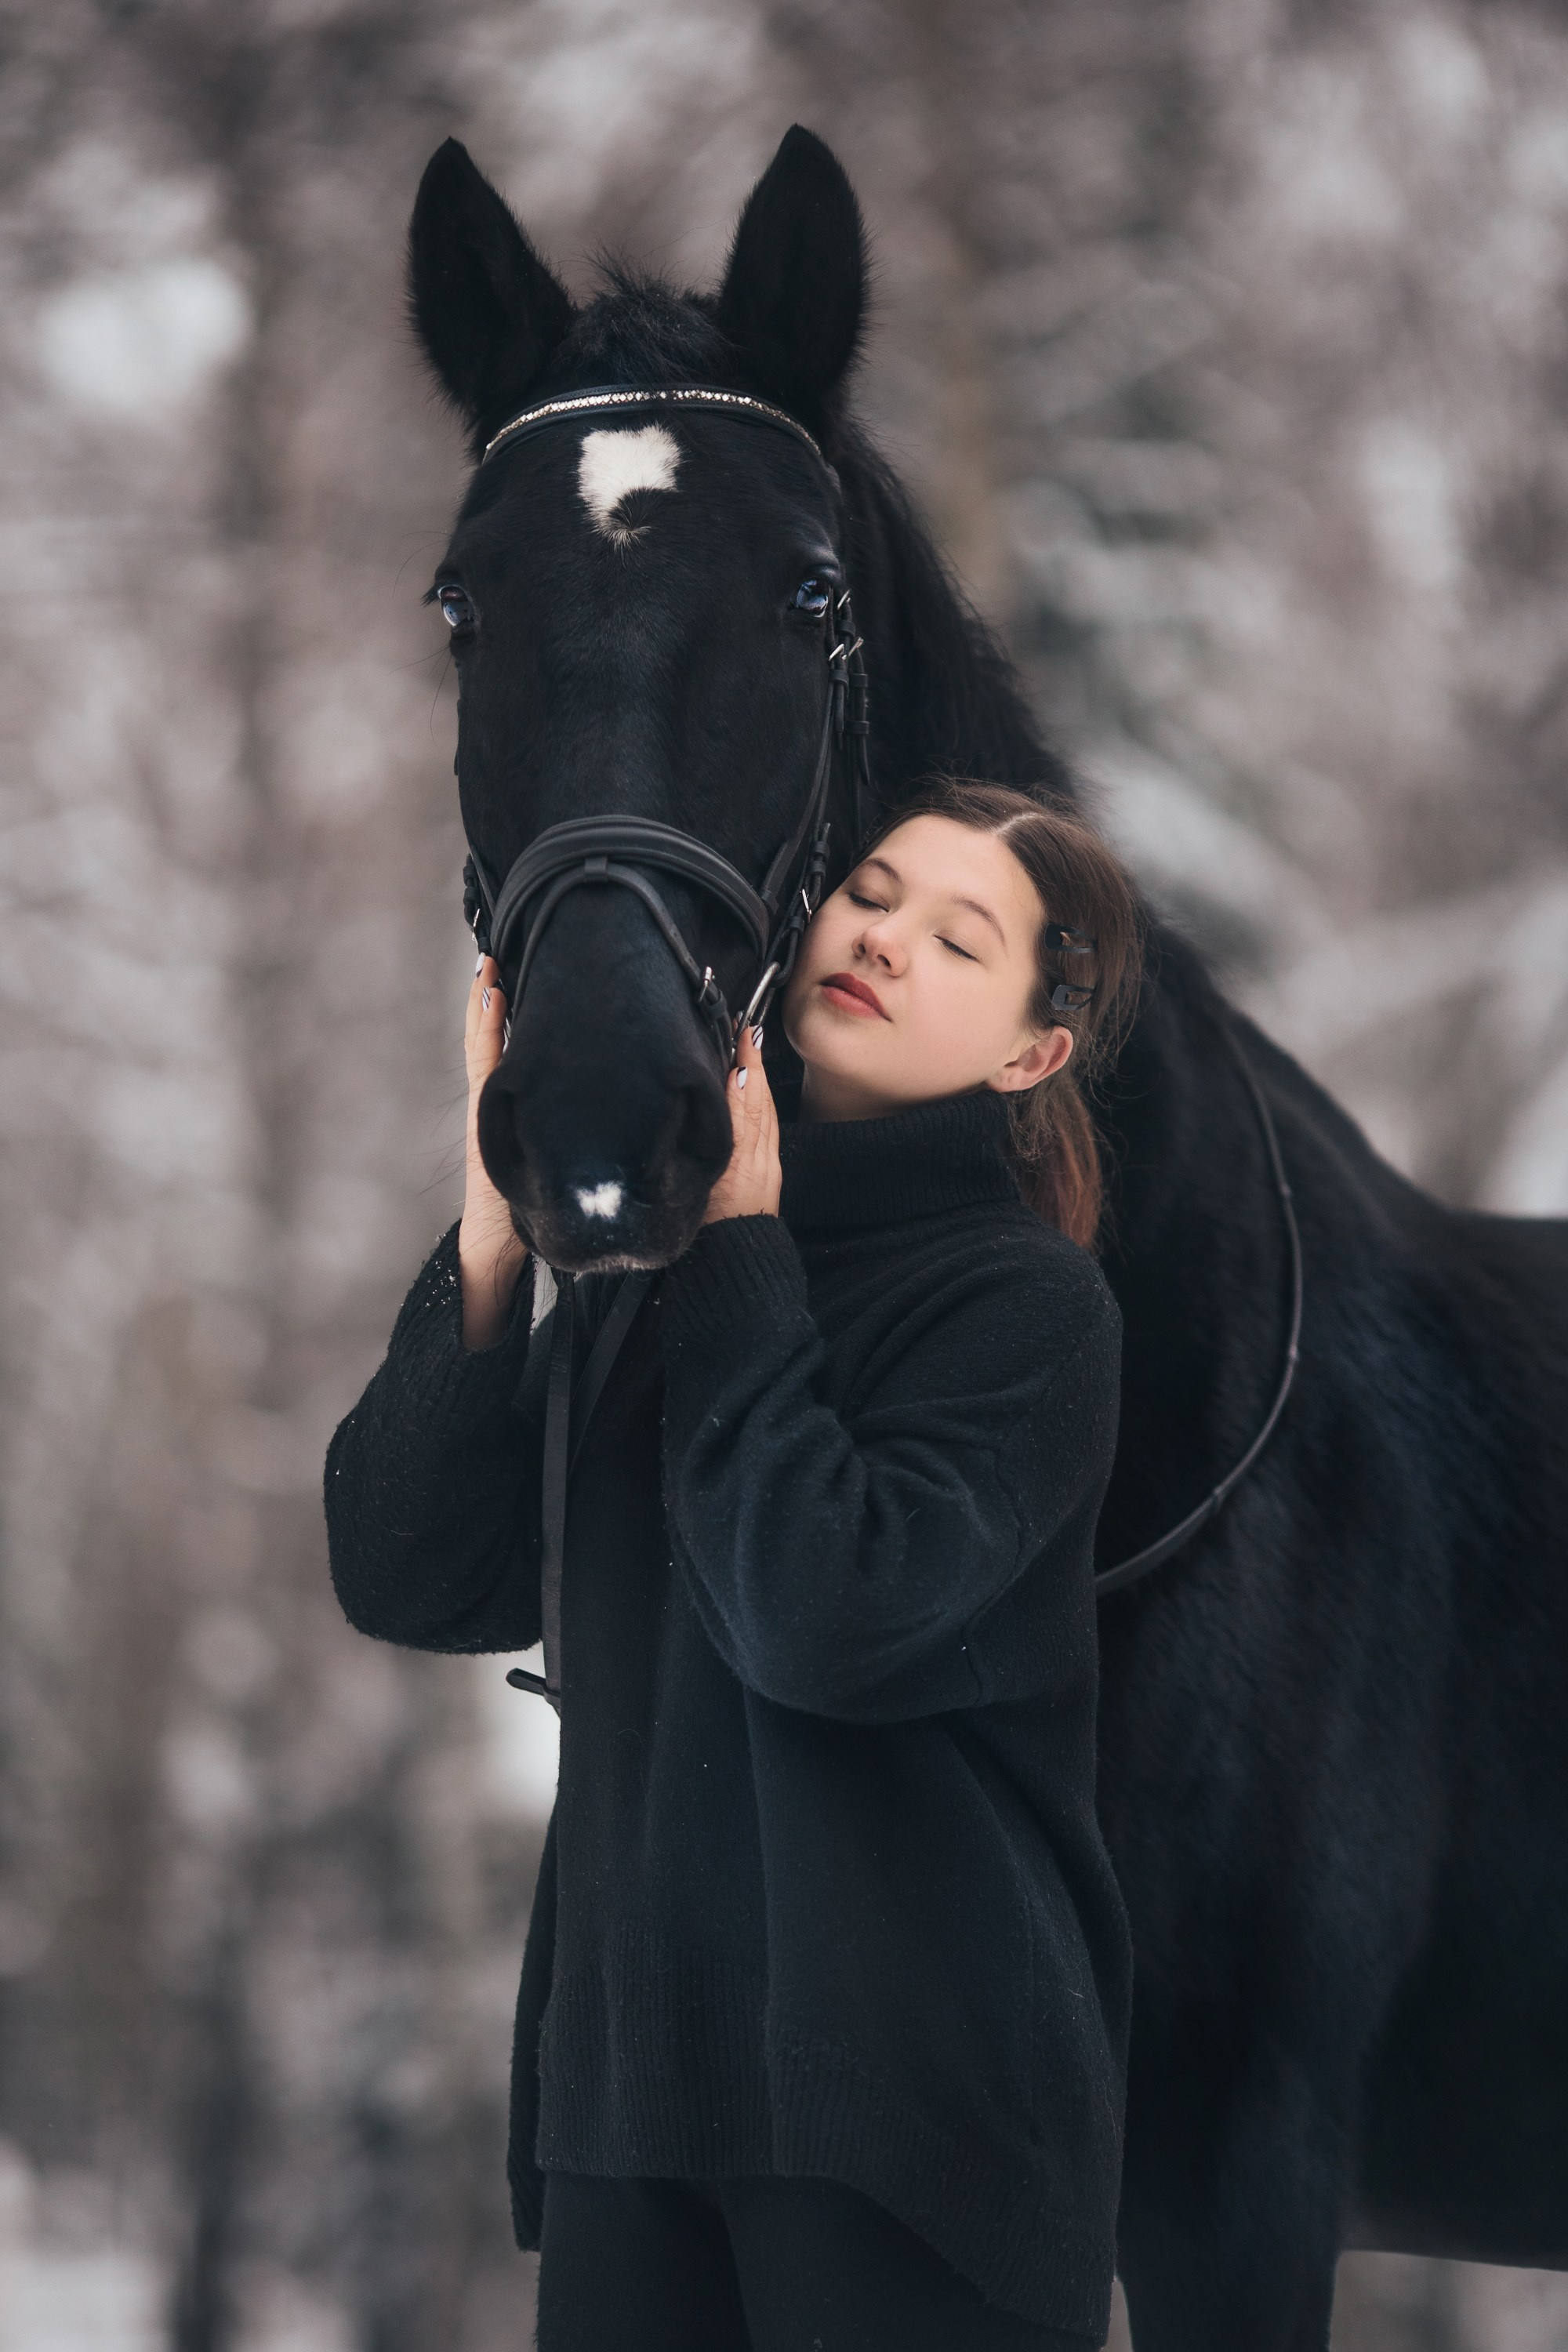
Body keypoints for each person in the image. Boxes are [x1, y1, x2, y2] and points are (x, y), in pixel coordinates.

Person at [325, 778, 1145, 2351]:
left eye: (960, 941)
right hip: (634, 2104)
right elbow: (409, 1573)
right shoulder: (671, 1265)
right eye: (876, 894)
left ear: (1030, 1052)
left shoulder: (1024, 1311)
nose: (886, 941)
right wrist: (494, 1235)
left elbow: (817, 1613)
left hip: (912, 2120)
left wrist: (746, 1252)